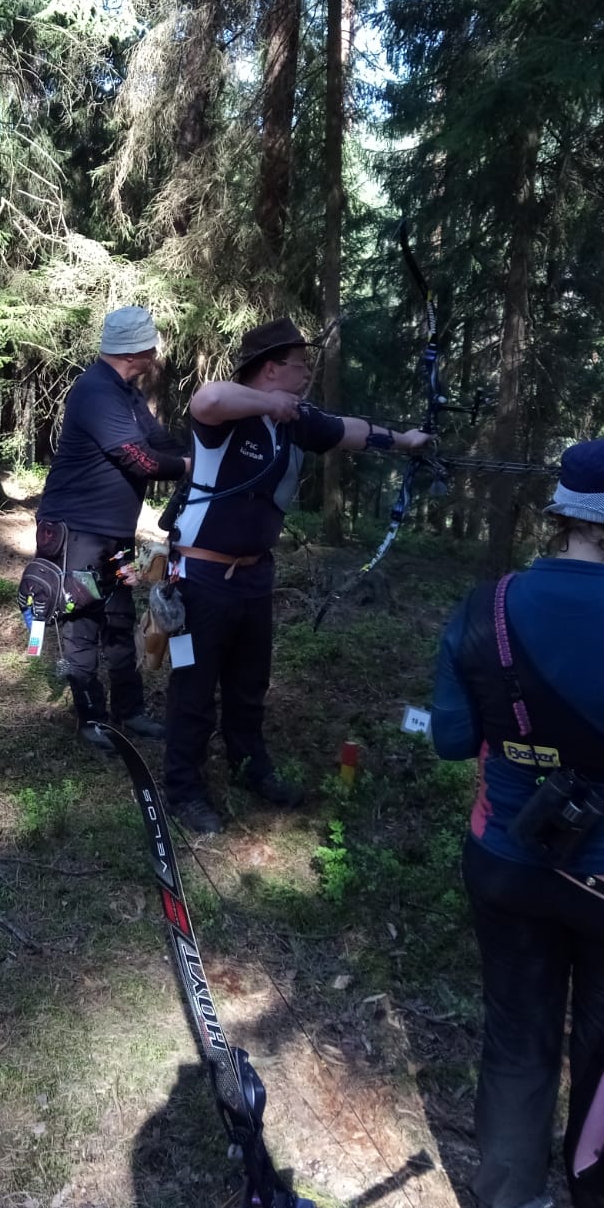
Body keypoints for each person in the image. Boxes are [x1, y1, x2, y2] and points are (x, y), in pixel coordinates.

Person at [430, 439, 604, 1208]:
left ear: (568, 519)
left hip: (507, 861)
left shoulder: (484, 609)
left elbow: (451, 739)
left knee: (516, 1046)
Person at [163, 317, 432, 834]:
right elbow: (208, 398)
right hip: (200, 575)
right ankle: (183, 788)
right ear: (270, 368)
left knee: (249, 683)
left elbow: (349, 430)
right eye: (299, 365)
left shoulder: (296, 421)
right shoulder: (229, 415)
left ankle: (249, 765)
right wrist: (269, 404)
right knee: (193, 685)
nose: (307, 374)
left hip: (254, 576)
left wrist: (405, 441)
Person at [36, 307, 190, 750]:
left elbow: (157, 443)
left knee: (119, 617)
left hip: (114, 539)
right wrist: (188, 467)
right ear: (133, 352)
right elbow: (137, 458)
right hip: (76, 536)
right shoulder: (95, 390)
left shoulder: (126, 393)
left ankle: (130, 711)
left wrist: (204, 451)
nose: (155, 354)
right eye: (150, 347)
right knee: (81, 620)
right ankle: (91, 719)